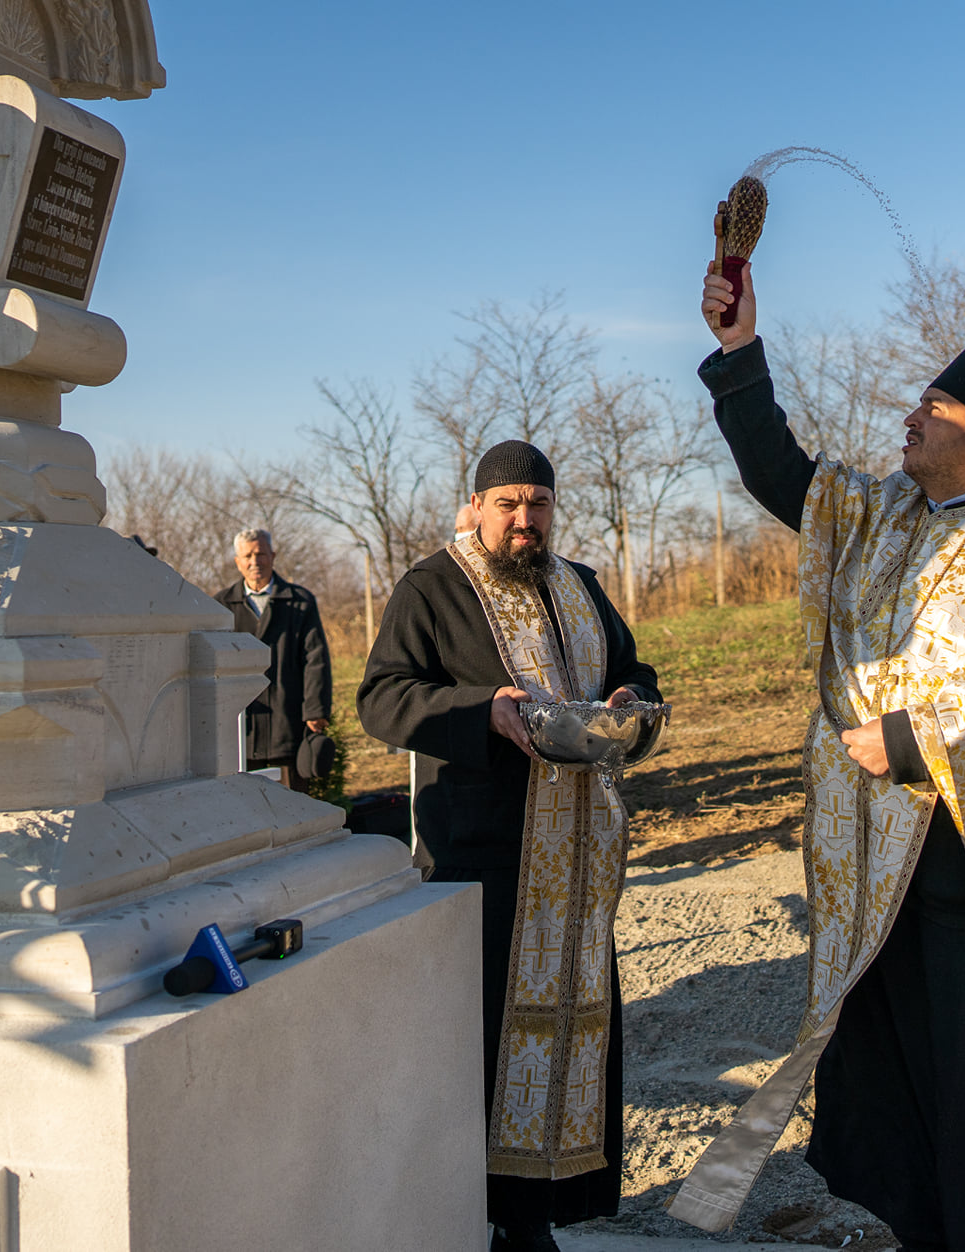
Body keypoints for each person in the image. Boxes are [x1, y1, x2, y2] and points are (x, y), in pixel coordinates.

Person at [667, 264, 965, 1251]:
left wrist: (913, 738)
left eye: (933, 407)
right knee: (892, 1098)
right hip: (873, 874)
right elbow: (781, 473)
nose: (909, 418)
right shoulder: (879, 516)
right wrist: (738, 351)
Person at [357, 440, 661, 1252]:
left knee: (569, 1039)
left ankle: (534, 1223)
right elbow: (382, 698)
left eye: (539, 504)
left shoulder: (580, 585)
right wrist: (483, 711)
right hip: (483, 859)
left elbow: (635, 670)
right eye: (508, 504)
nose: (524, 519)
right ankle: (471, 1218)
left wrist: (630, 698)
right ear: (477, 506)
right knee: (483, 1048)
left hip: (579, 858)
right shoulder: (432, 587)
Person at [215, 528, 331, 792]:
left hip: (287, 718)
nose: (254, 561)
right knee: (244, 799)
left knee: (292, 800)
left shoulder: (300, 601)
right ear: (237, 562)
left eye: (260, 554)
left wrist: (316, 710)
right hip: (241, 725)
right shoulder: (222, 605)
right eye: (247, 556)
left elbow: (316, 658)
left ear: (273, 556)